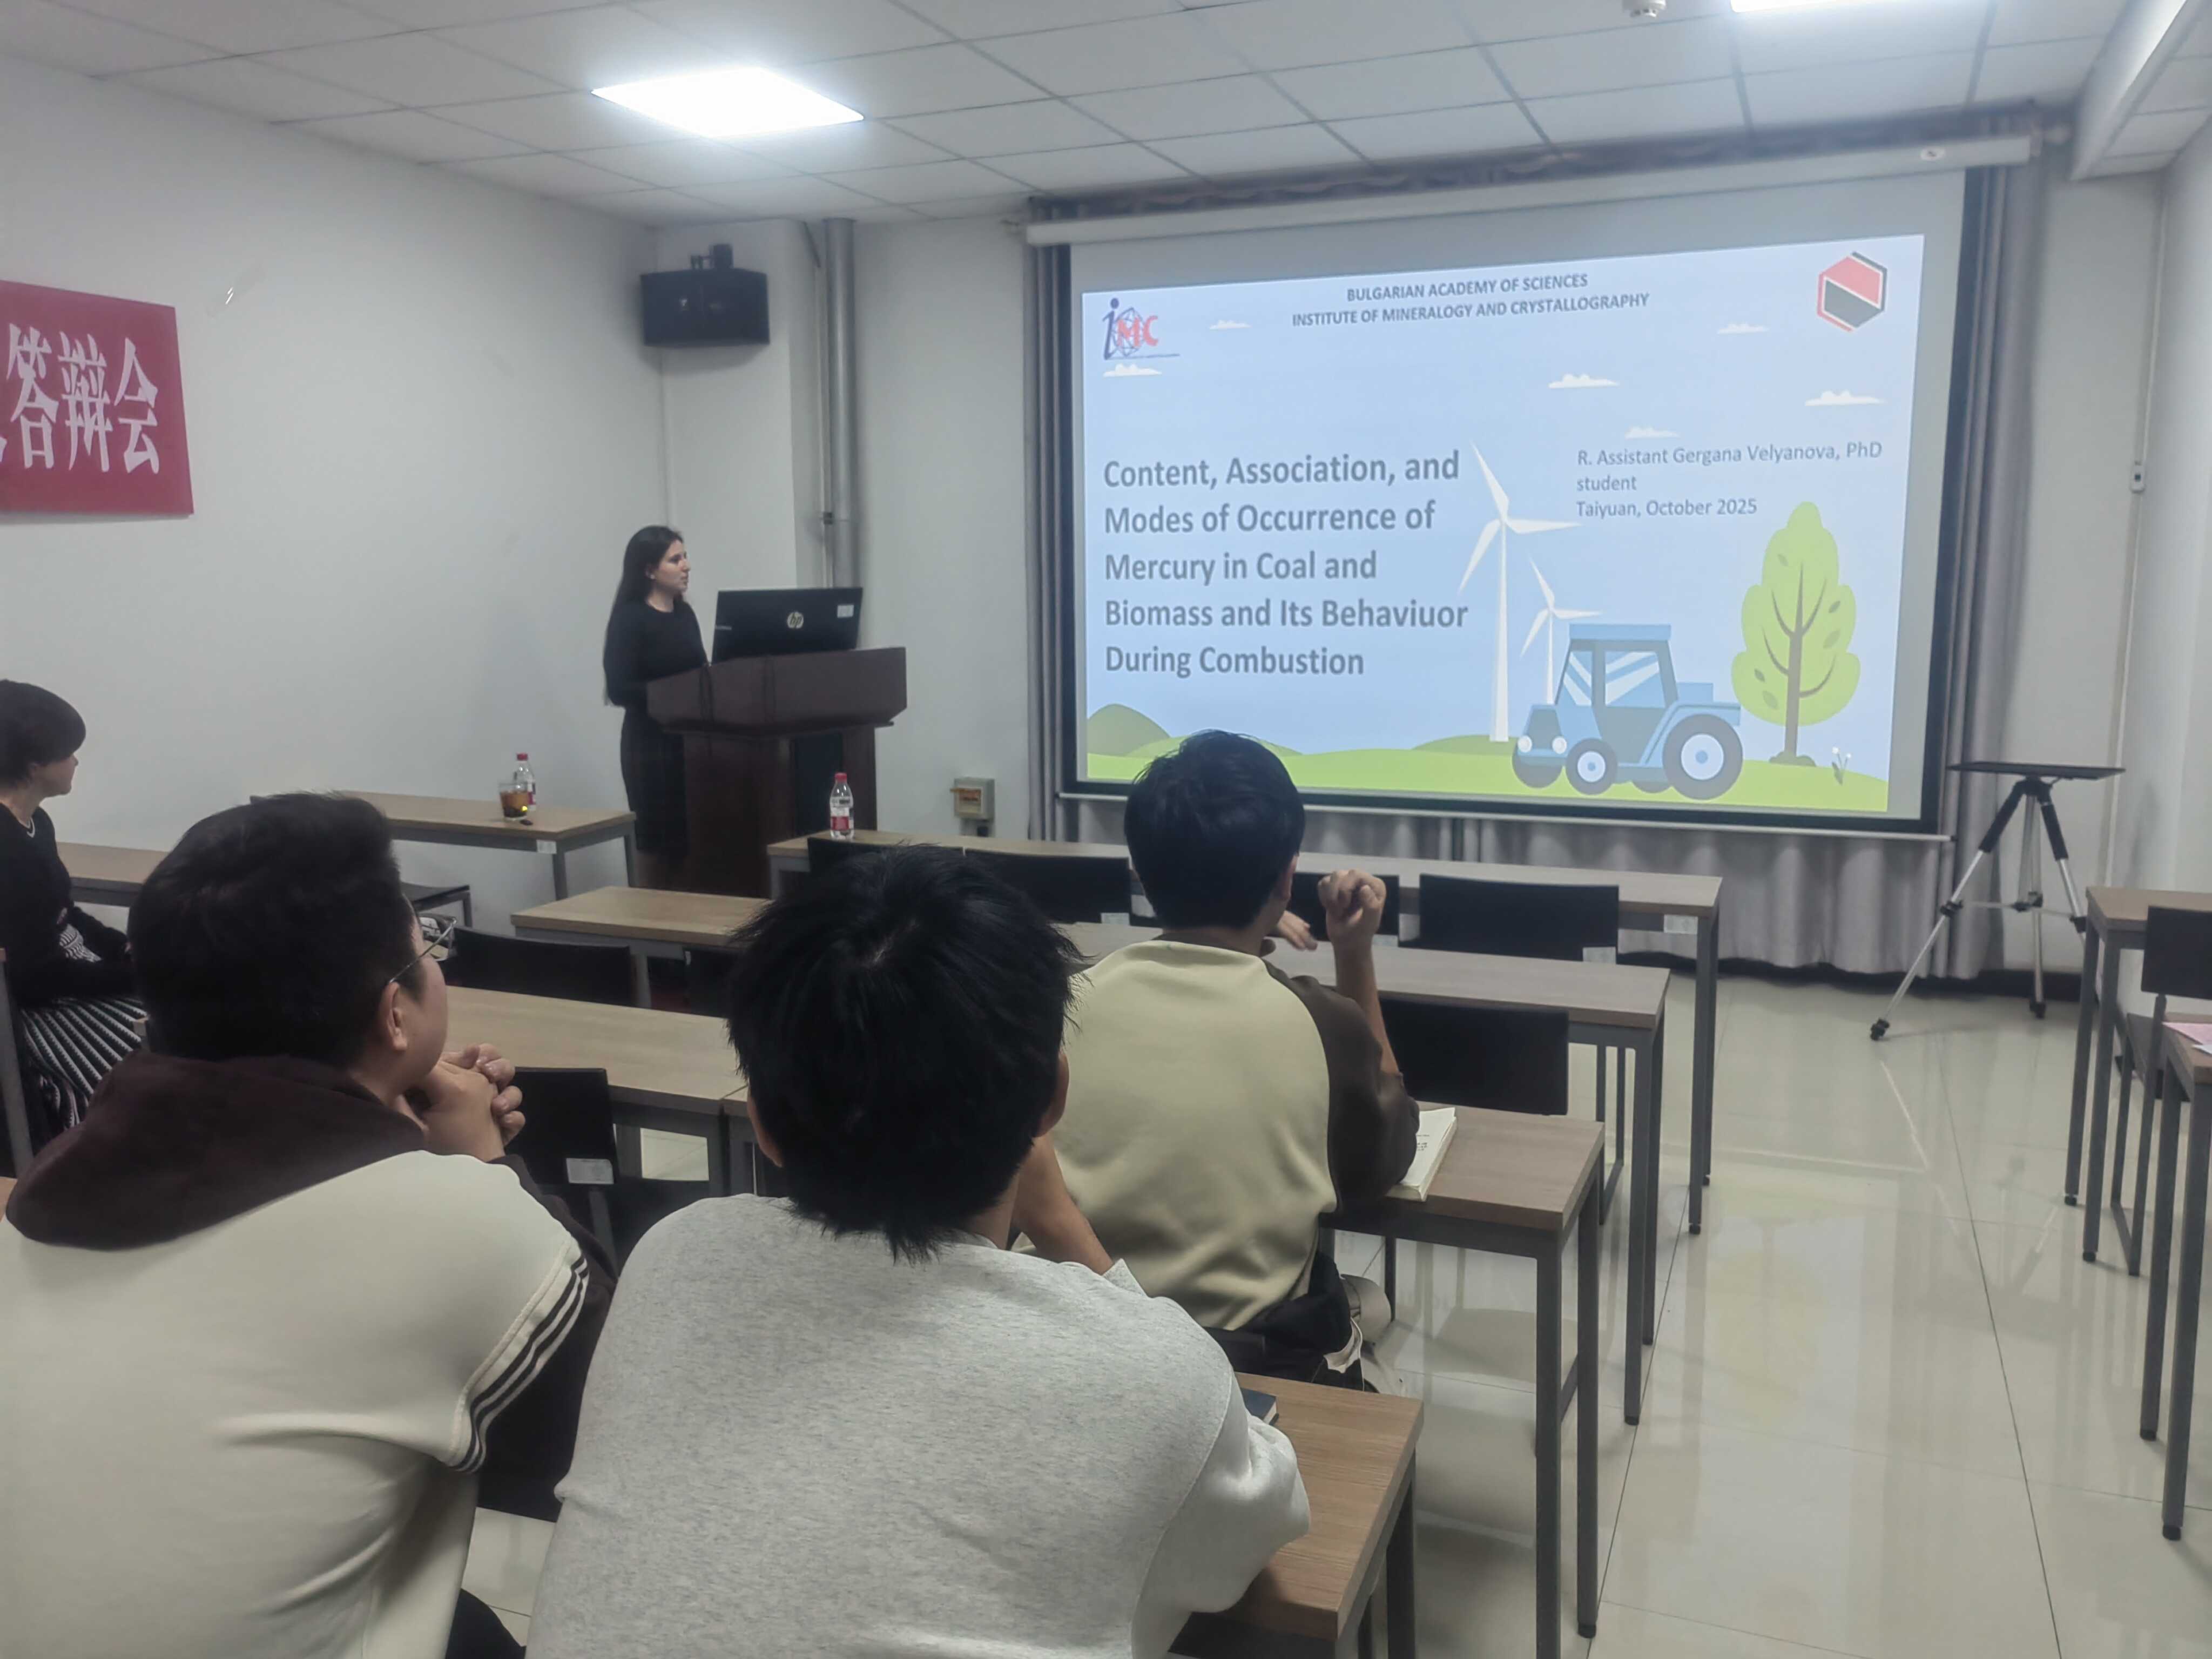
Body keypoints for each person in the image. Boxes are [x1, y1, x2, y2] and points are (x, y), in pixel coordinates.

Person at [528, 847, 1307, 1659]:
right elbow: (1254, 1530)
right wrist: (1068, 1232)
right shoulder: (1155, 1377)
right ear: (1052, 1099)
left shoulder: (671, 1259)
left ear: (761, 1121)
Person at [0, 793, 616, 1659]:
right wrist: (486, 1166)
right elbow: (610, 1420)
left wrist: (388, 1129)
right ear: (395, 1014)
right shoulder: (457, 1224)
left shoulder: (47, 1194)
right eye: (427, 951)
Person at [1053, 731, 1418, 1387]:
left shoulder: (1059, 1004)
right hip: (1244, 1370)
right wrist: (1354, 953)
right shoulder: (1319, 1023)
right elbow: (1385, 1158)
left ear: (1140, 872)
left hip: (1073, 1345)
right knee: (1371, 1310)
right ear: (1286, 880)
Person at [0, 680, 143, 1147]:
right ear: (34, 765)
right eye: (68, 753)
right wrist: (132, 975)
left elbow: (62, 911)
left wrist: (121, 947)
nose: (76, 762)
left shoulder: (34, 822)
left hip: (63, 974)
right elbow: (34, 978)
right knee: (153, 1057)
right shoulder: (7, 849)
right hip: (33, 1010)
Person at [601, 525, 704, 889]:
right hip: (649, 746)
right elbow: (619, 688)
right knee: (655, 842)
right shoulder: (630, 618)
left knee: (691, 841)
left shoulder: (685, 616)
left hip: (691, 744)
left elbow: (702, 674)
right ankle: (652, 919)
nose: (686, 566)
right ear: (649, 570)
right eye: (675, 559)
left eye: (685, 557)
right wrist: (673, 693)